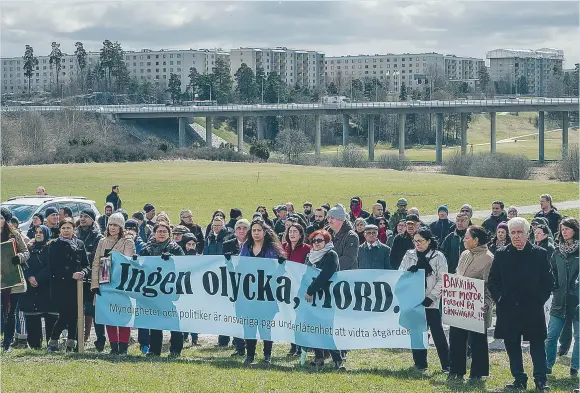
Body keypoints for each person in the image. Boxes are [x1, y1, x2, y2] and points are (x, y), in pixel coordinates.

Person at [488, 217, 552, 391]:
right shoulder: (501, 254)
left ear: (527, 233)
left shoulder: (539, 253)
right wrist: (500, 299)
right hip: (509, 309)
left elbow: (548, 282)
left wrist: (538, 300)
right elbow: (493, 281)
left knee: (537, 344)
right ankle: (519, 379)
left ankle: (540, 379)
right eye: (513, 232)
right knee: (512, 345)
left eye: (520, 232)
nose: (516, 236)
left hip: (532, 309)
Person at [399, 227, 449, 372]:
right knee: (416, 332)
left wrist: (431, 297)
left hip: (431, 301)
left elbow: (442, 279)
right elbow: (400, 272)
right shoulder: (409, 255)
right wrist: (408, 272)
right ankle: (420, 363)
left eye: (420, 241)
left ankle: (446, 364)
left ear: (428, 241)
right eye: (415, 241)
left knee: (437, 332)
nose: (417, 244)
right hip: (414, 301)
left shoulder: (438, 256)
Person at [448, 225, 493, 381]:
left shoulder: (489, 258)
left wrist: (486, 303)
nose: (463, 240)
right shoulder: (464, 254)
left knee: (477, 341)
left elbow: (490, 285)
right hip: (459, 304)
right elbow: (458, 274)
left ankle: (477, 373)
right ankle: (456, 370)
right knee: (456, 338)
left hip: (478, 305)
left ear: (476, 240)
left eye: (467, 238)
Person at [240, 219, 286, 365]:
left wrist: (279, 267)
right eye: (253, 230)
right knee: (249, 326)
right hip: (249, 294)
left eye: (259, 230)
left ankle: (267, 356)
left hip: (267, 294)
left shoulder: (272, 248)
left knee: (265, 326)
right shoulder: (246, 247)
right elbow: (240, 267)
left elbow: (281, 270)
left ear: (265, 232)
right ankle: (250, 355)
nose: (256, 233)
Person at [91, 213, 136, 355]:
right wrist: (95, 284)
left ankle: (123, 346)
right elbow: (96, 263)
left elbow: (128, 261)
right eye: (111, 224)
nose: (112, 228)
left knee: (123, 315)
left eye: (116, 225)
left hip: (121, 284)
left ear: (121, 227)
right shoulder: (102, 241)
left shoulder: (127, 242)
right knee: (109, 316)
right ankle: (113, 346)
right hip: (105, 282)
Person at [139, 222, 185, 357]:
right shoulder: (147, 249)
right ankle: (155, 350)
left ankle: (176, 350)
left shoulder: (175, 248)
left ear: (169, 233)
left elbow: (183, 265)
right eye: (159, 231)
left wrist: (171, 259)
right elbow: (140, 266)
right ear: (154, 233)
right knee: (154, 322)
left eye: (164, 231)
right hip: (153, 290)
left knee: (173, 321)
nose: (162, 233)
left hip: (170, 290)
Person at [46, 217, 90, 353]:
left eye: (68, 228)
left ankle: (71, 342)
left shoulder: (80, 243)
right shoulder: (55, 245)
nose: (66, 230)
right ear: (60, 230)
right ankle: (53, 341)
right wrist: (71, 273)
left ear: (73, 229)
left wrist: (83, 272)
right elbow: (54, 266)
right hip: (62, 285)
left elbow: (86, 264)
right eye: (63, 228)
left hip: (78, 285)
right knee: (65, 315)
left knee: (76, 315)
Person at [304, 229, 345, 371]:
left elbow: (326, 275)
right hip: (313, 300)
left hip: (328, 298)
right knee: (314, 328)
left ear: (326, 242)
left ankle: (337, 359)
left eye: (319, 240)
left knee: (327, 329)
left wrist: (310, 290)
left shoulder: (331, 255)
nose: (316, 243)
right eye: (314, 240)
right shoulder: (310, 256)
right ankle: (319, 358)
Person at [545, 218, 579, 377]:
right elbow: (552, 272)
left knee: (578, 336)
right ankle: (547, 365)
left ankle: (575, 367)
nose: (564, 231)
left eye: (567, 228)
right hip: (559, 300)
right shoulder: (557, 251)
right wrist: (554, 286)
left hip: (577, 301)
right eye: (562, 229)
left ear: (575, 230)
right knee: (551, 336)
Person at [20, 225, 58, 349]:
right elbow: (24, 265)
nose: (38, 234)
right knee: (32, 316)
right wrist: (29, 276)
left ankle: (51, 344)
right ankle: (35, 345)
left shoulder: (52, 248)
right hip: (32, 289)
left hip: (48, 287)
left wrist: (38, 278)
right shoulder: (29, 249)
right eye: (36, 232)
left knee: (51, 317)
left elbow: (51, 267)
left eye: (41, 232)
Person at [1, 208, 30, 352]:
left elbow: (26, 252)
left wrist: (19, 258)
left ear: (6, 220)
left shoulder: (14, 233)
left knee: (10, 312)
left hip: (13, 279)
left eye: (0, 218)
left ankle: (7, 342)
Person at [75, 209, 105, 348]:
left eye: (86, 216)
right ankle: (77, 337)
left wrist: (82, 256)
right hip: (76, 276)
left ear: (93, 219)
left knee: (90, 309)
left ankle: (88, 337)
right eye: (81, 216)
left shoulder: (97, 236)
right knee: (77, 307)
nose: (82, 219)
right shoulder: (75, 233)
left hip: (92, 276)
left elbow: (95, 257)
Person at [222, 218, 251, 356]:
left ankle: (250, 346)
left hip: (251, 285)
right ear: (235, 231)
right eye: (239, 228)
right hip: (233, 285)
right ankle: (239, 347)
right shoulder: (227, 244)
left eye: (245, 228)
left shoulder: (254, 244)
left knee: (249, 317)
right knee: (236, 316)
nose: (242, 231)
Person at [283, 223, 311, 356]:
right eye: (290, 231)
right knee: (290, 318)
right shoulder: (284, 247)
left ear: (300, 235)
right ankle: (293, 346)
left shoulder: (307, 249)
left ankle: (302, 346)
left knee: (300, 318)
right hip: (287, 288)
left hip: (301, 288)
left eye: (295, 231)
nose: (292, 234)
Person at [327, 204, 359, 271]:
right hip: (329, 275)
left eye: (332, 218)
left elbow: (348, 258)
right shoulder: (327, 234)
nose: (329, 220)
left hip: (345, 276)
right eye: (328, 218)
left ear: (340, 219)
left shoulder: (351, 236)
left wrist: (330, 268)